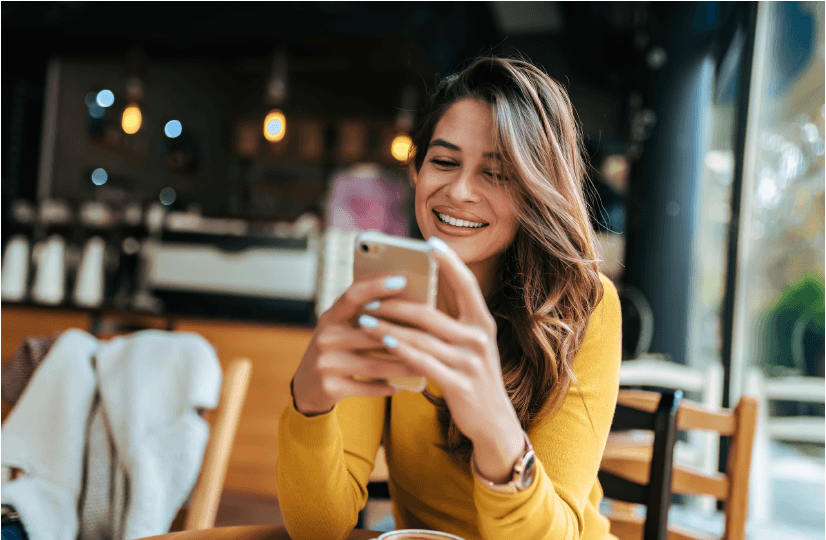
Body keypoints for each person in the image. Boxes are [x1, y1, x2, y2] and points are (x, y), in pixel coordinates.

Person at [277, 55, 622, 540]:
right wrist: (309, 404)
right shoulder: (388, 296)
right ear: (416, 170)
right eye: (444, 162)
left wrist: (495, 428)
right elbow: (318, 529)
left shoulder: (584, 306)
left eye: (497, 173)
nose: (459, 191)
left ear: (535, 191)